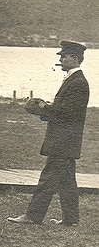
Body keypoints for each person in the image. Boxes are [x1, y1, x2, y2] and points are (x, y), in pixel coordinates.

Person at [7, 40, 89, 226]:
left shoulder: (78, 82)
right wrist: (44, 109)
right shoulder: (73, 80)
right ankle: (71, 219)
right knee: (66, 182)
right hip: (65, 140)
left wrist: (43, 107)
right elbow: (64, 110)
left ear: (74, 58)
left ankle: (33, 216)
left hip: (63, 141)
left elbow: (67, 113)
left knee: (48, 179)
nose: (60, 59)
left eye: (63, 56)